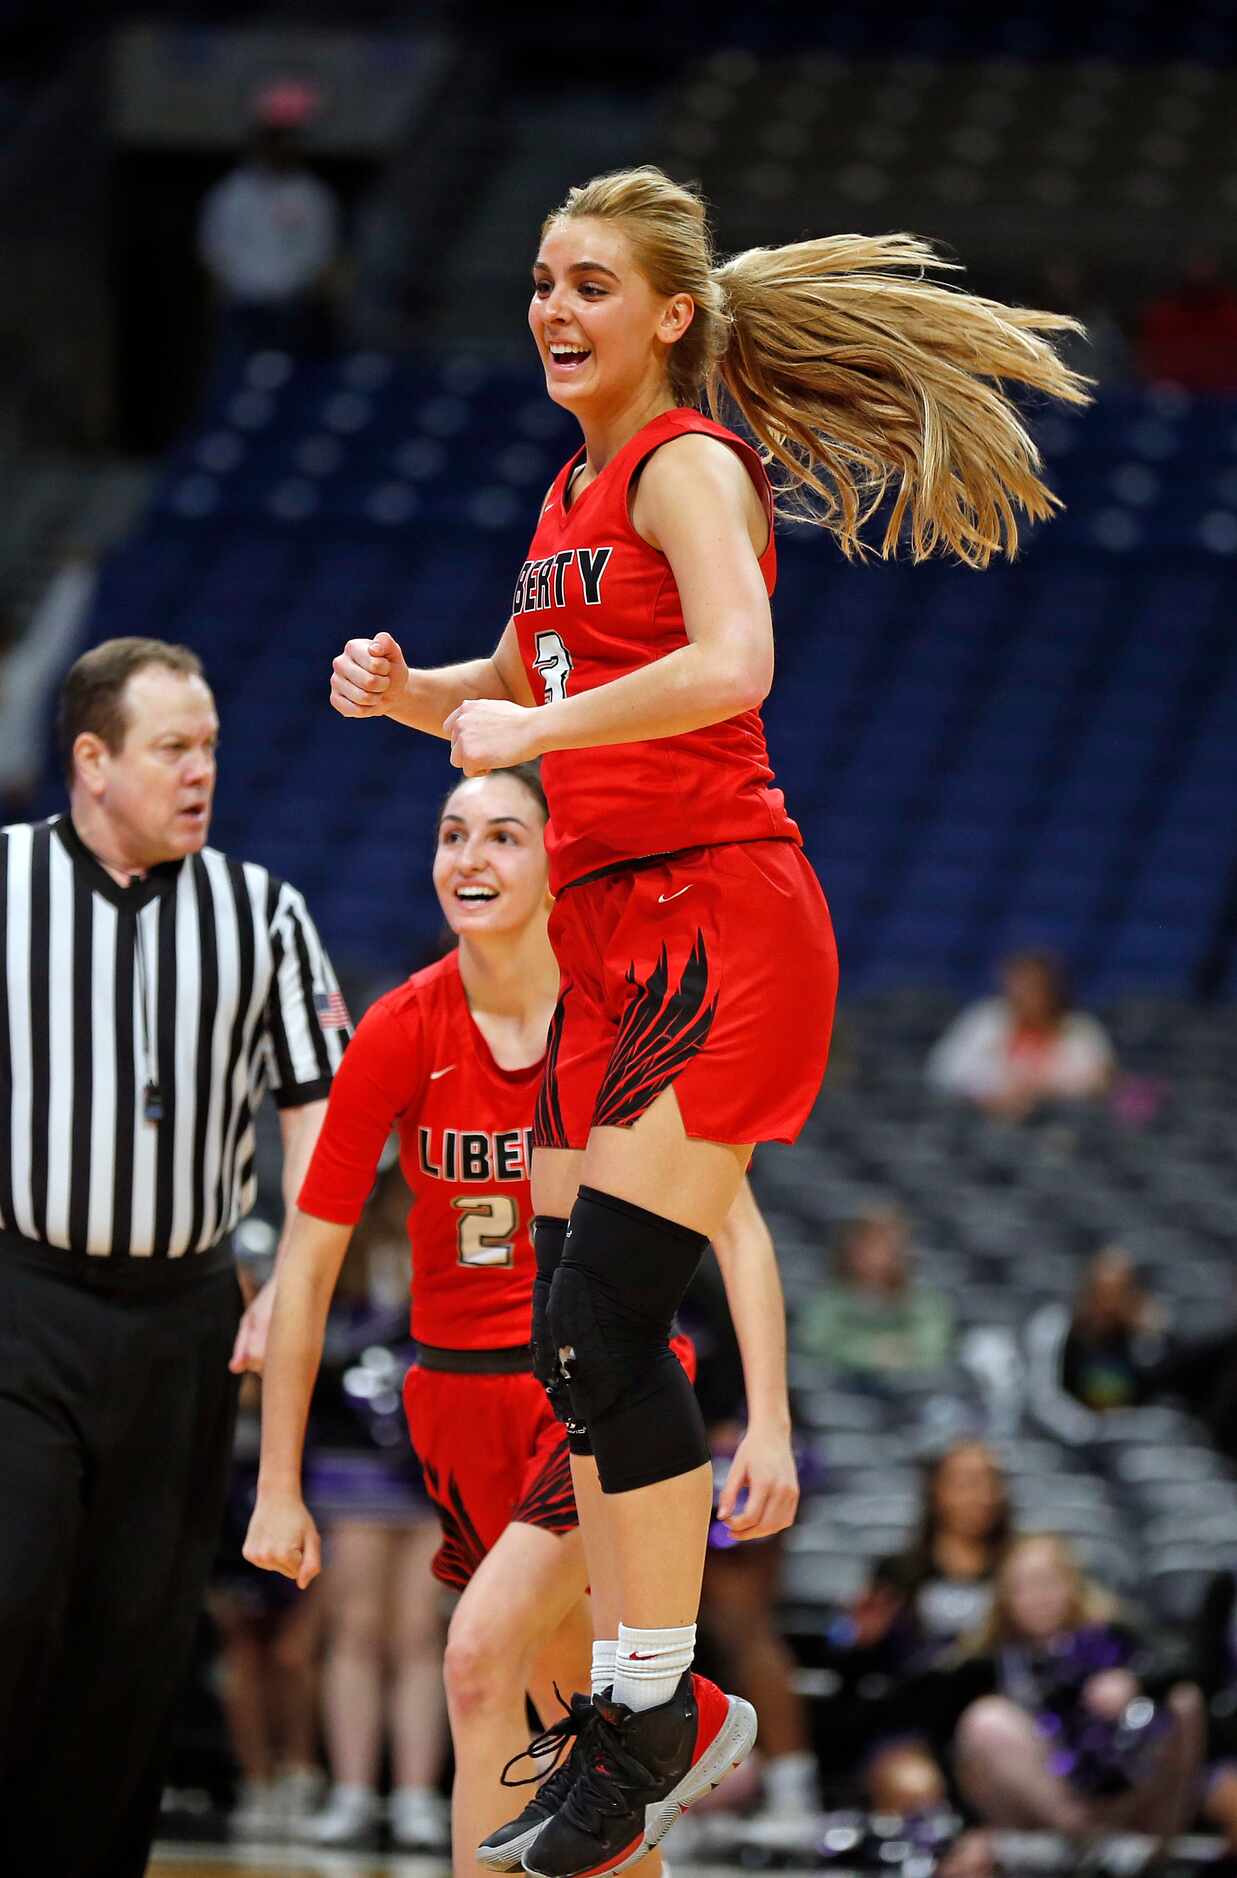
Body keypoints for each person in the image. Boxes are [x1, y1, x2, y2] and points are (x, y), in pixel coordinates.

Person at [327, 163, 1088, 1878]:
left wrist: (533, 733)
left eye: (588, 283)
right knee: (584, 1334)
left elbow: (733, 662)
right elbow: (532, 686)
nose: (551, 309)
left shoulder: (685, 463)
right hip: (618, 930)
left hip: (715, 915)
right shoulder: (569, 486)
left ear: (670, 314)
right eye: (537, 279)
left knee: (599, 1308)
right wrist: (423, 695)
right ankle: (654, 1705)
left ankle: (654, 1706)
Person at [242, 764, 800, 1878]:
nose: (470, 859)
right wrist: (276, 1481)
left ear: (559, 863)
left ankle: (680, 1717)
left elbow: (737, 1233)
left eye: (503, 836)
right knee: (569, 1736)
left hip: (591, 1403)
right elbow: (306, 1265)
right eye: (453, 834)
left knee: (476, 1662)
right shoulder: (401, 1026)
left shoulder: (610, 1021)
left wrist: (771, 1421)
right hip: (449, 1405)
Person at [0, 636, 347, 1877]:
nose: (202, 771)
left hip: (187, 1314)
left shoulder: (263, 914)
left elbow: (322, 1120)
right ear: (92, 762)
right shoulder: (5, 886)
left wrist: (296, 1283)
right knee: (13, 1589)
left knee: (137, 1638)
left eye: (209, 748)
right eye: (173, 750)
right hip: (22, 1302)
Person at [302, 1164, 449, 1852]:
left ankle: (417, 1796)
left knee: (420, 1636)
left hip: (429, 1468)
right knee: (355, 1629)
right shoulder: (343, 1262)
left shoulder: (455, 1254)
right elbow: (310, 1352)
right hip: (351, 1465)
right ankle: (354, 1790)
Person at [945, 1535, 1203, 1876]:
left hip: (1125, 1799)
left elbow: (1187, 1662)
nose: (1038, 1598)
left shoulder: (1114, 1632)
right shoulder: (982, 1663)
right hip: (1039, 1827)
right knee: (987, 1721)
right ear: (1005, 1597)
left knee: (1184, 1700)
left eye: (1048, 1583)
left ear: (1072, 1585)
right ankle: (1092, 1843)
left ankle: (1145, 1850)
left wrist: (1134, 1681)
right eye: (1024, 1587)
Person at [821, 1441, 1011, 1816]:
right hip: (909, 1728)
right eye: (965, 1482)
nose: (981, 1495)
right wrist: (860, 1642)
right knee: (911, 1785)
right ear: (935, 1490)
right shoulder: (898, 1572)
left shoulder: (1019, 1571)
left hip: (996, 1725)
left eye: (990, 1481)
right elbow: (851, 1666)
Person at [198, 84, 340, 358]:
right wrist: (232, 283)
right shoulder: (232, 192)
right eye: (272, 141)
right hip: (242, 301)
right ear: (259, 144)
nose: (279, 149)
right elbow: (213, 245)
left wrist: (300, 285)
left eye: (286, 141)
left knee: (290, 375)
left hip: (292, 303)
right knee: (239, 372)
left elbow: (322, 249)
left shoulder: (312, 195)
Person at [927, 950, 1115, 1120]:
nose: (1026, 995)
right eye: (1020, 986)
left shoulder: (1081, 1028)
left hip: (1059, 1125)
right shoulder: (984, 1020)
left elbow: (1097, 1081)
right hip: (981, 1121)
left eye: (1035, 987)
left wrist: (1038, 1091)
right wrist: (991, 1093)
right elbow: (945, 1070)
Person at [1026, 1245, 1168, 1442]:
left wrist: (1151, 1337)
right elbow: (1044, 1398)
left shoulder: (1140, 1337)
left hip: (1127, 1439)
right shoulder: (1056, 1327)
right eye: (1102, 1292)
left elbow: (1158, 1400)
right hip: (1069, 1436)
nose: (1108, 1303)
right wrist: (1086, 1428)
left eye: (1118, 1292)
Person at [794, 1206, 954, 1379]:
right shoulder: (826, 1302)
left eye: (889, 1244)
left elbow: (933, 1350)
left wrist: (892, 1355)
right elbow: (813, 1342)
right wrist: (871, 1352)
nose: (878, 1255)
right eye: (870, 1243)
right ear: (852, 1249)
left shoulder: (926, 1304)